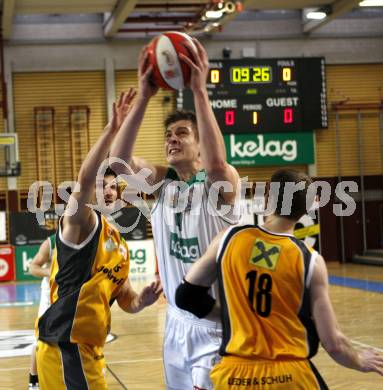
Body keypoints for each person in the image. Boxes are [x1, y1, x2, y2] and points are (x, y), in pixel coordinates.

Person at [175, 169, 383, 389]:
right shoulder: (310, 260)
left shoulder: (228, 239)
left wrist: (234, 316)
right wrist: (360, 360)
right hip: (289, 376)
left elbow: (186, 296)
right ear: (306, 209)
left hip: (235, 376)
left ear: (267, 199)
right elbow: (333, 344)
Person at [110, 38, 240, 389]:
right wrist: (144, 97)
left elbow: (216, 164)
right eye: (168, 134)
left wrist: (199, 92)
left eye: (182, 133)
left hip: (215, 320)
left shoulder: (221, 183)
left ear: (200, 144)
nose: (172, 139)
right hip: (175, 322)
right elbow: (119, 164)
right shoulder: (161, 183)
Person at [36, 89, 162, 390]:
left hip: (89, 351)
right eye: (101, 186)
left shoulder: (118, 243)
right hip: (65, 345)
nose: (108, 191)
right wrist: (111, 129)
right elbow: (84, 180)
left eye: (113, 187)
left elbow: (125, 299)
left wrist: (141, 302)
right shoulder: (79, 224)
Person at [28, 235, 55, 389]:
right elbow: (33, 267)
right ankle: (34, 381)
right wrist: (50, 272)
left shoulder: (85, 240)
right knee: (40, 339)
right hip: (50, 295)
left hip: (71, 294)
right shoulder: (51, 243)